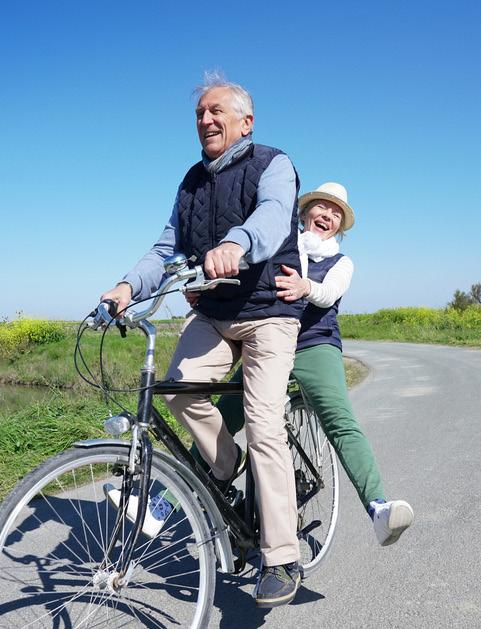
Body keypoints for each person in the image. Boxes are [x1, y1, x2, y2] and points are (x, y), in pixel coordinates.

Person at [98, 71, 304, 608]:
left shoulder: (274, 164)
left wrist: (236, 244)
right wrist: (126, 285)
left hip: (267, 312)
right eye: (199, 114)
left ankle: (281, 555)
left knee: (263, 422)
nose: (206, 120)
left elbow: (274, 215)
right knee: (180, 388)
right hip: (213, 313)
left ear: (246, 121)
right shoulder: (191, 180)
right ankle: (222, 461)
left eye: (217, 112)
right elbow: (167, 245)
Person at [152, 182, 415, 547]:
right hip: (269, 344)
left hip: (311, 344)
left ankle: (379, 508)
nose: (327, 214)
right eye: (321, 207)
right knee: (225, 415)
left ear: (340, 225)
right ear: (305, 213)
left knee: (339, 420)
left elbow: (328, 292)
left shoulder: (341, 262)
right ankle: (164, 504)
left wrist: (306, 287)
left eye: (336, 212)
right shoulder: (276, 245)